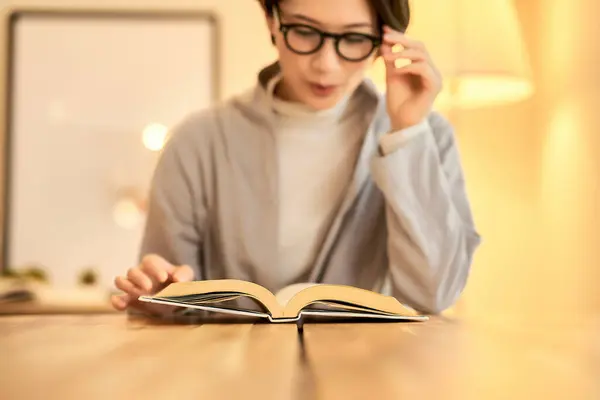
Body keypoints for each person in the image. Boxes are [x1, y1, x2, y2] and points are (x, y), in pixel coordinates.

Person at [111, 0, 481, 316]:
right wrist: (158, 287)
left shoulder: (425, 135)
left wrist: (407, 134)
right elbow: (168, 294)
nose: (325, 64)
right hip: (231, 375)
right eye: (304, 32)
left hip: (369, 372)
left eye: (353, 38)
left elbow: (434, 293)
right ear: (273, 21)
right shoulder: (197, 140)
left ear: (384, 41)